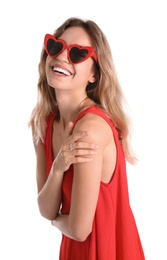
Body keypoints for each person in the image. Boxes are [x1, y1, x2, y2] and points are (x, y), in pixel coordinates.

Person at [28, 17, 145, 260]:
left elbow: (79, 230)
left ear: (94, 74)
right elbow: (46, 208)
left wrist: (57, 223)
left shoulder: (90, 129)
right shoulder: (43, 123)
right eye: (56, 46)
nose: (61, 57)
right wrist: (58, 168)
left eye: (78, 53)